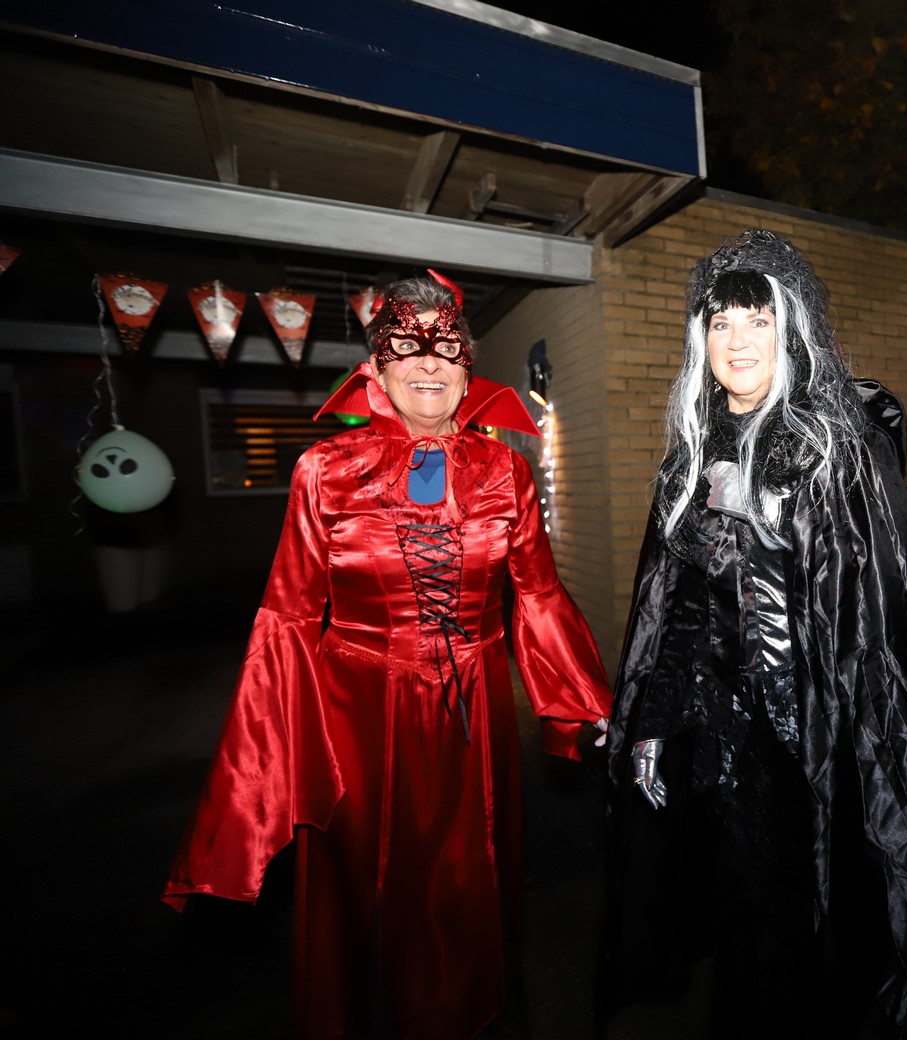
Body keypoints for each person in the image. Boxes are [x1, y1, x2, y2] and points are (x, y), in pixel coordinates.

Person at [163, 273, 613, 1039]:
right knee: (369, 888)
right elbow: (288, 616)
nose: (429, 363)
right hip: (358, 717)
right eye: (407, 346)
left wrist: (584, 697)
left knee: (471, 879)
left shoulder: (505, 470)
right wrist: (260, 761)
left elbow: (537, 592)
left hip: (475, 715)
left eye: (448, 347)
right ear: (376, 366)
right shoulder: (324, 470)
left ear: (469, 366)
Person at [602, 230, 907, 1037]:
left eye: (757, 321)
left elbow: (871, 623)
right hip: (726, 738)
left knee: (837, 916)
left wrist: (853, 738)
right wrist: (654, 722)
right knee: (750, 916)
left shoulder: (835, 448)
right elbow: (677, 611)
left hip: (827, 735)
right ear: (701, 342)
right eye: (721, 324)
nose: (738, 341)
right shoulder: (688, 459)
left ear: (788, 331)